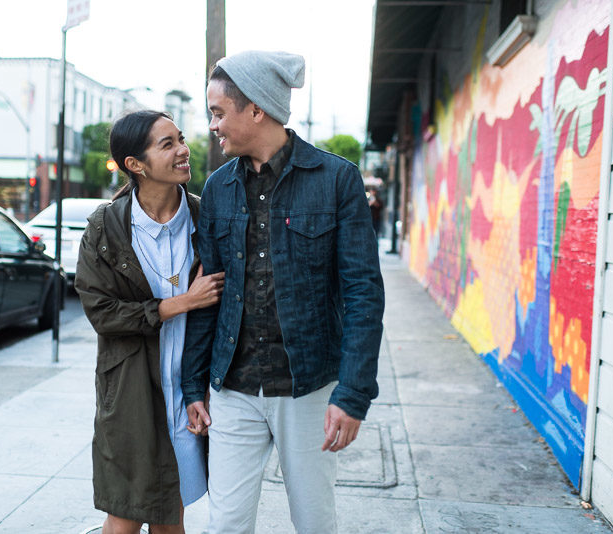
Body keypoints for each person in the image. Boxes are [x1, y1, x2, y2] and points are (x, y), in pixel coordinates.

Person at [182, 51, 385, 534]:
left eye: (218, 112)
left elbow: (363, 292)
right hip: (233, 386)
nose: (212, 125)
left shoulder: (337, 179)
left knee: (314, 521)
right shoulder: (218, 188)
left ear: (256, 109)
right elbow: (209, 294)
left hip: (309, 384)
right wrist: (194, 385)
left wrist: (353, 393)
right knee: (224, 525)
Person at [75, 110, 226, 534]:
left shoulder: (205, 219)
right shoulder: (107, 226)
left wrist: (210, 385)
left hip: (190, 392)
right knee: (124, 516)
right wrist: (179, 303)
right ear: (135, 164)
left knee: (170, 516)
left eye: (181, 139)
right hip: (131, 391)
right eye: (167, 144)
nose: (183, 150)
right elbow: (101, 312)